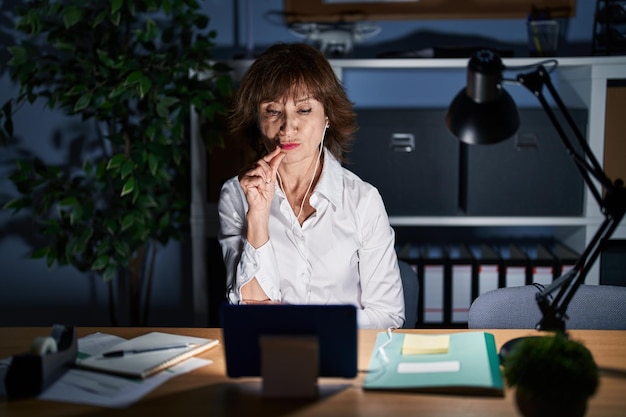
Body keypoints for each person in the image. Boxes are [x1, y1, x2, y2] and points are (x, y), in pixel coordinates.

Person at [217, 42, 404, 329]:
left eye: (303, 109)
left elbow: (387, 315)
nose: (288, 127)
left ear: (327, 116)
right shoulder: (236, 194)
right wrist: (258, 215)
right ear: (257, 119)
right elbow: (247, 312)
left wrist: (305, 326)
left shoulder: (362, 199)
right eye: (272, 111)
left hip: (347, 356)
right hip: (269, 356)